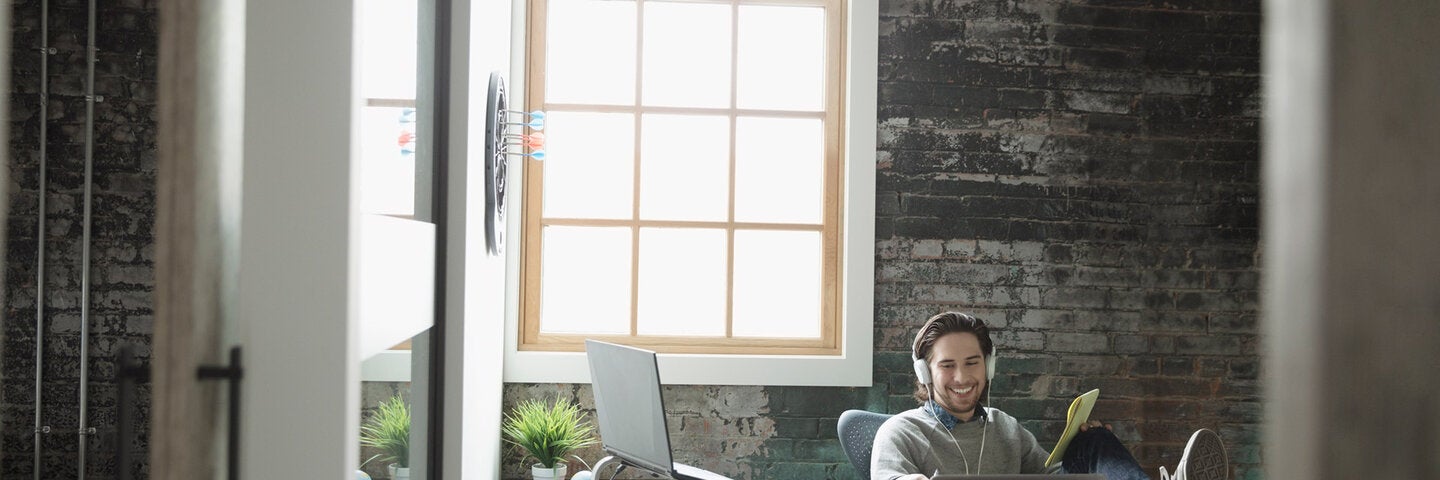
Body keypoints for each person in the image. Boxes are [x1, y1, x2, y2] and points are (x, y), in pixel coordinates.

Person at [871, 312, 1228, 480]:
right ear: (925, 373)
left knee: (1092, 442)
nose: (962, 377)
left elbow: (1054, 476)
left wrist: (1090, 453)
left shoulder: (1005, 427)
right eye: (947, 366)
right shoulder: (900, 433)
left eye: (972, 363)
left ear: (988, 367)